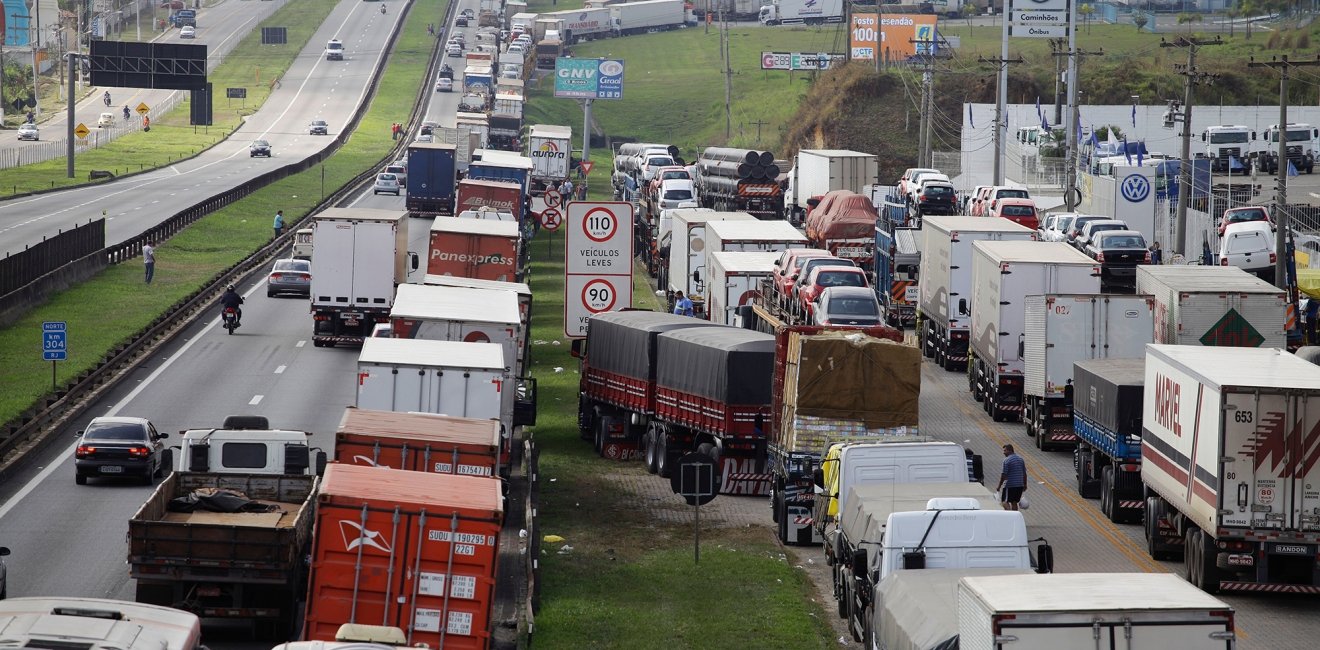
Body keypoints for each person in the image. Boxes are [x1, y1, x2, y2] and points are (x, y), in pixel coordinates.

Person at [997, 444, 1027, 511]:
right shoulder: (1020, 459)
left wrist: (999, 486)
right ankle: (1015, 516)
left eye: (1005, 450)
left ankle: (1009, 515)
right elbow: (1024, 473)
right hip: (1020, 485)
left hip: (1010, 485)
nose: (1003, 452)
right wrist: (1025, 484)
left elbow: (1003, 475)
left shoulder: (1006, 460)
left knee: (1004, 501)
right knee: (1014, 502)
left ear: (1009, 450)